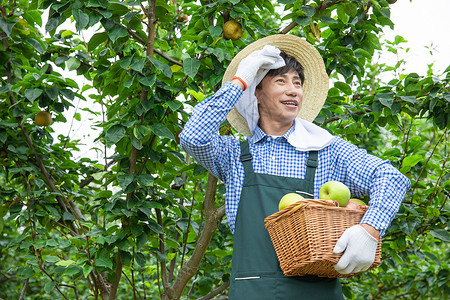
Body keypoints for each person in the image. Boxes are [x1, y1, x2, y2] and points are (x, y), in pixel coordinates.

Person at [179, 35, 410, 299]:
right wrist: (239, 81)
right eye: (281, 81)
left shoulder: (326, 150)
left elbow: (391, 178)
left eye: (297, 83)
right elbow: (192, 137)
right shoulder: (234, 155)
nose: (293, 90)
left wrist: (370, 229)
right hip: (252, 292)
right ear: (257, 93)